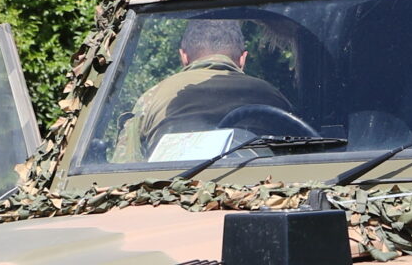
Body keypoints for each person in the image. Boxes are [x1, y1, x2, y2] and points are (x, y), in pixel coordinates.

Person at [112, 17, 297, 161]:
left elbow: (124, 170)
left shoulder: (151, 98)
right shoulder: (272, 96)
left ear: (183, 57)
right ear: (243, 59)